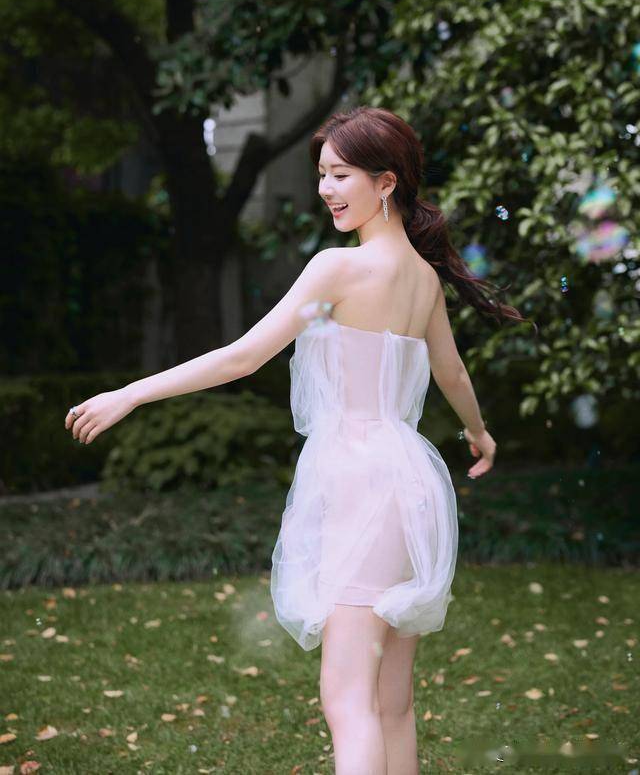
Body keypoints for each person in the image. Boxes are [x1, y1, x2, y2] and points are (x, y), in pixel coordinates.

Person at [65, 106, 530, 774]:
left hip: (359, 481)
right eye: (322, 174)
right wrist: (479, 434)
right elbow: (451, 372)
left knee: (348, 697)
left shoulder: (337, 270)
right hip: (410, 480)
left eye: (340, 174)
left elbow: (242, 357)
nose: (325, 188)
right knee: (392, 701)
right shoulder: (423, 278)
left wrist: (131, 393)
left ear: (387, 182)